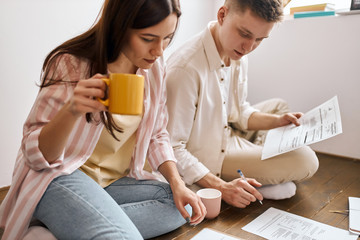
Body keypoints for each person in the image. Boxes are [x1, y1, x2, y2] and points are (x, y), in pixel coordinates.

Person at [0, 0, 207, 239]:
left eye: (168, 37)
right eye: (148, 39)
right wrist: (72, 110)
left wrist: (177, 182)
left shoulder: (153, 68)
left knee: (184, 205)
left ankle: (57, 230)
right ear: (120, 27)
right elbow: (36, 156)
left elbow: (157, 134)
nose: (159, 50)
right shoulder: (71, 64)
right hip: (59, 176)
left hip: (110, 184)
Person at [165, 0, 319, 209]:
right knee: (306, 160)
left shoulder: (236, 52)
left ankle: (254, 175)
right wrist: (220, 186)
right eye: (245, 34)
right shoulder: (185, 69)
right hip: (209, 153)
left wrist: (276, 121)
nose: (249, 47)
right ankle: (255, 180)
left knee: (279, 107)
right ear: (222, 15)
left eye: (259, 39)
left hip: (228, 130)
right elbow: (172, 147)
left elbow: (240, 112)